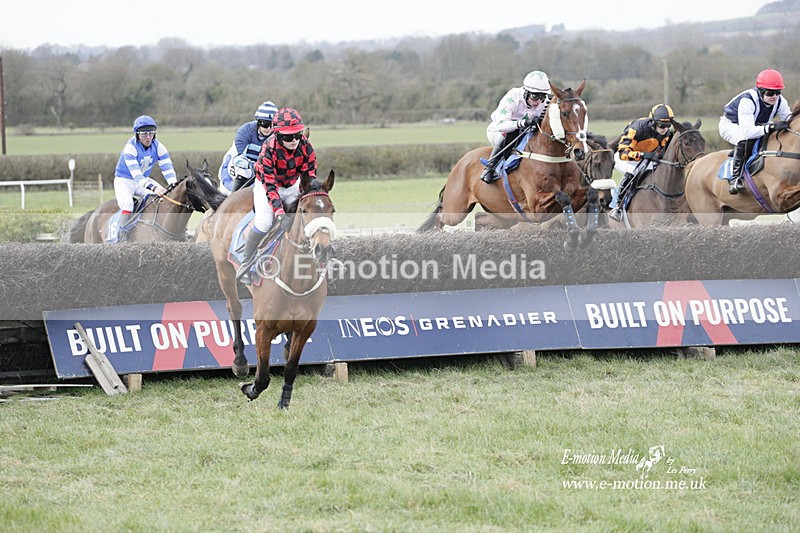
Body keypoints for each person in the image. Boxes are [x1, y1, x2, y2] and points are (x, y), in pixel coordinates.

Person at [236, 107, 316, 284]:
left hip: (292, 184)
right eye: (288, 137)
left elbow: (309, 177)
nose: (294, 140)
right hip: (267, 185)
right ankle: (246, 262)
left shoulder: (306, 146)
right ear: (278, 135)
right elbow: (270, 187)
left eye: (298, 134)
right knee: (264, 223)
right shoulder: (268, 150)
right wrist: (280, 213)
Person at [719, 68, 791, 195]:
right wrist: (771, 127)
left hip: (757, 125)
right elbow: (748, 132)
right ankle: (735, 179)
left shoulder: (780, 101)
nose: (774, 96)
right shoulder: (748, 101)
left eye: (777, 92)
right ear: (761, 91)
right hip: (732, 125)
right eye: (770, 93)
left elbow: (789, 119)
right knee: (743, 139)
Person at [480, 70, 552, 183]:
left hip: (527, 132)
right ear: (526, 92)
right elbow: (501, 125)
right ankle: (489, 168)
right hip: (499, 131)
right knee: (512, 132)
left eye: (542, 97)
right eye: (535, 96)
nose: (539, 102)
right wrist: (522, 123)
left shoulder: (546, 102)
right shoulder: (512, 97)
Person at [113, 115, 177, 240]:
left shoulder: (158, 146)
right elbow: (137, 176)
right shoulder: (130, 147)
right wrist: (154, 188)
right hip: (124, 180)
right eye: (144, 134)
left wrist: (173, 185)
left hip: (143, 180)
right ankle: (121, 235)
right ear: (137, 135)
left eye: (151, 133)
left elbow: (167, 168)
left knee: (164, 198)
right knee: (127, 204)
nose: (148, 137)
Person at [608, 104, 675, 221]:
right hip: (623, 156)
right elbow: (623, 153)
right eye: (661, 125)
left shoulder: (666, 134)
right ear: (653, 121)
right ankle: (617, 206)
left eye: (667, 125)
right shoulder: (636, 129)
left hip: (644, 158)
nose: (664, 129)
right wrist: (643, 155)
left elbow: (661, 149)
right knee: (632, 171)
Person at [218, 101, 278, 195]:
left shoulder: (277, 136)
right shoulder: (245, 131)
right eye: (265, 124)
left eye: (272, 125)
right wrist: (255, 166)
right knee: (245, 171)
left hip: (259, 169)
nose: (269, 129)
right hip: (234, 169)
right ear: (258, 122)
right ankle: (233, 198)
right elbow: (239, 159)